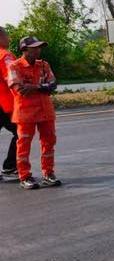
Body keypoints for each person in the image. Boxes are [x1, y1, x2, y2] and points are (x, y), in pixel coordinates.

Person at [7, 37, 60, 189]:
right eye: (34, 48)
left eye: (39, 47)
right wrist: (42, 86)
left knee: (49, 143)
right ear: (24, 49)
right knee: (24, 145)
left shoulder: (44, 64)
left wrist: (34, 87)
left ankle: (48, 174)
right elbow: (20, 90)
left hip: (45, 111)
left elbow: (53, 84)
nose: (38, 50)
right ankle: (24, 176)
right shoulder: (14, 66)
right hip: (25, 113)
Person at [0, 27, 18, 182]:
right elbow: (12, 78)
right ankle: (11, 165)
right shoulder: (5, 56)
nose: (9, 39)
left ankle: (10, 166)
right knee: (20, 132)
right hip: (4, 103)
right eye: (6, 36)